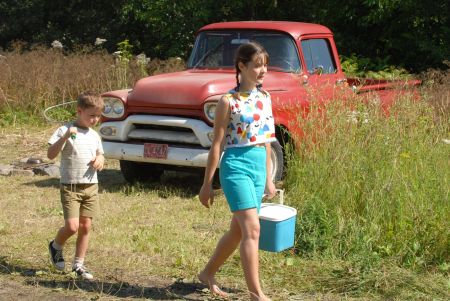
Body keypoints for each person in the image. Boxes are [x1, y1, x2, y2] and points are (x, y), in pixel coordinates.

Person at [198, 42, 277, 301]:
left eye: (265, 64)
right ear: (241, 66)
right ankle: (256, 294)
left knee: (238, 232)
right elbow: (217, 144)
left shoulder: (265, 98)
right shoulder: (227, 101)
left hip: (257, 168)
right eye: (257, 65)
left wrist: (269, 179)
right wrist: (207, 183)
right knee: (252, 229)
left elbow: (266, 143)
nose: (263, 70)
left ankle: (207, 273)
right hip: (235, 168)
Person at [47, 91, 105, 280]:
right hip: (70, 186)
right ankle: (55, 246)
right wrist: (64, 137)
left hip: (91, 186)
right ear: (79, 111)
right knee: (72, 227)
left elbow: (100, 154)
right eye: (91, 115)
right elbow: (50, 154)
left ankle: (78, 266)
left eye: (98, 116)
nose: (95, 119)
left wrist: (100, 159)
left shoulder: (94, 135)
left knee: (85, 226)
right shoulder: (65, 129)